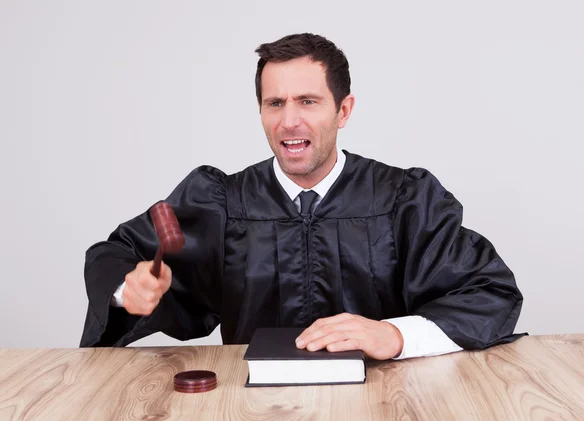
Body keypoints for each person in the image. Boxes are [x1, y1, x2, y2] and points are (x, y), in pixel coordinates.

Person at [80, 33, 525, 360]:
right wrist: (126, 288)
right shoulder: (222, 202)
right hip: (250, 403)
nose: (289, 121)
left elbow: (490, 292)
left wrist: (394, 335)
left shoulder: (403, 200)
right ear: (260, 112)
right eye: (275, 104)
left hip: (386, 403)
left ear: (343, 110)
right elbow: (114, 254)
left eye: (308, 101)